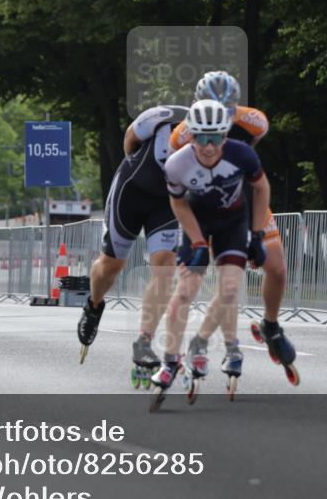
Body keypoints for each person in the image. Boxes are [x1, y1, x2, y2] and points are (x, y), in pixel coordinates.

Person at [169, 71, 297, 380]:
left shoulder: (255, 122)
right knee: (227, 282)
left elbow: (252, 167)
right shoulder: (181, 135)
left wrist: (255, 233)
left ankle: (270, 325)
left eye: (227, 111)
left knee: (277, 266)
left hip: (245, 201)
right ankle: (209, 344)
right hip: (207, 207)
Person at [151, 99, 271, 394]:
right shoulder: (177, 163)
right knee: (186, 290)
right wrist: (197, 241)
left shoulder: (241, 154)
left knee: (229, 289)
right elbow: (178, 202)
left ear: (225, 135)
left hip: (233, 222)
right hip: (198, 220)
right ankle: (170, 361)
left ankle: (200, 342)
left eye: (215, 137)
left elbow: (262, 188)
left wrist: (257, 235)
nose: (208, 146)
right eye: (201, 137)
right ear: (190, 135)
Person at [76, 104, 189, 375]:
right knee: (111, 266)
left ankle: (144, 342)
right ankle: (93, 305)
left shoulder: (221, 140)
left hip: (166, 203)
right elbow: (130, 140)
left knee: (165, 265)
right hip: (131, 191)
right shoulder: (163, 116)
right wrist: (139, 167)